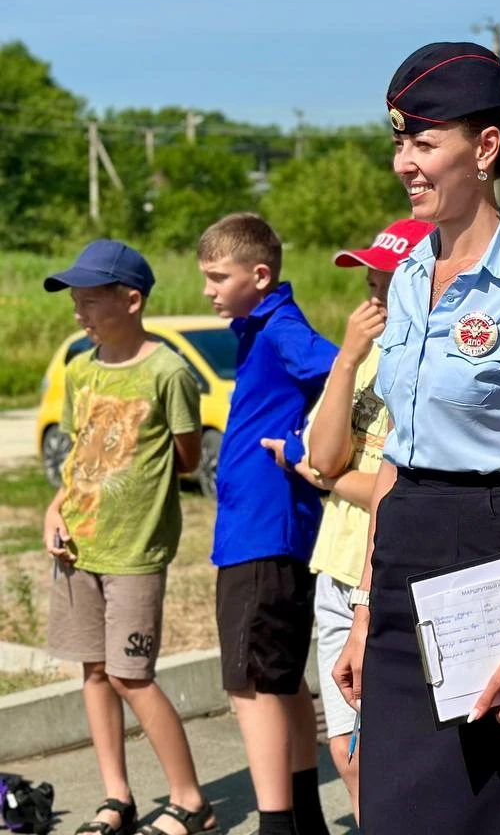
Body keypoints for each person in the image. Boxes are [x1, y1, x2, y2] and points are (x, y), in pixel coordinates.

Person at [332, 42, 500, 835]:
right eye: (399, 144)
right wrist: (361, 611)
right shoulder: (408, 276)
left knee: (485, 813)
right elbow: (394, 460)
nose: (403, 163)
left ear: (483, 148)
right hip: (402, 553)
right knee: (390, 814)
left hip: (489, 558)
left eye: (424, 142)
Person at [42, 239, 217, 835]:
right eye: (75, 302)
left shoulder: (167, 372)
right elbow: (79, 463)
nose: (79, 313)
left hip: (135, 552)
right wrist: (53, 512)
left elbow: (188, 459)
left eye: (90, 301)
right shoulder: (79, 370)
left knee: (130, 676)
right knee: (94, 672)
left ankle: (191, 800)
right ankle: (116, 798)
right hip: (78, 548)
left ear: (133, 300)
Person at [261, 217, 433, 822]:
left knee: (384, 744)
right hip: (335, 564)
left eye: (388, 277)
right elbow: (324, 454)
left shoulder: (433, 361)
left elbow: (396, 490)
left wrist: (334, 480)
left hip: (386, 572)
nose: (374, 291)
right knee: (345, 746)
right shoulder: (366, 357)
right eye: (371, 276)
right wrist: (347, 358)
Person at [196, 213, 338, 835]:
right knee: (281, 683)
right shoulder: (260, 327)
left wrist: (305, 443)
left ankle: (275, 824)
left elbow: (346, 374)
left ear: (260, 274)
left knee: (251, 685)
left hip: (264, 532)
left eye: (217, 277)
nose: (208, 290)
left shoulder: (281, 328)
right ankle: (302, 817)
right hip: (264, 530)